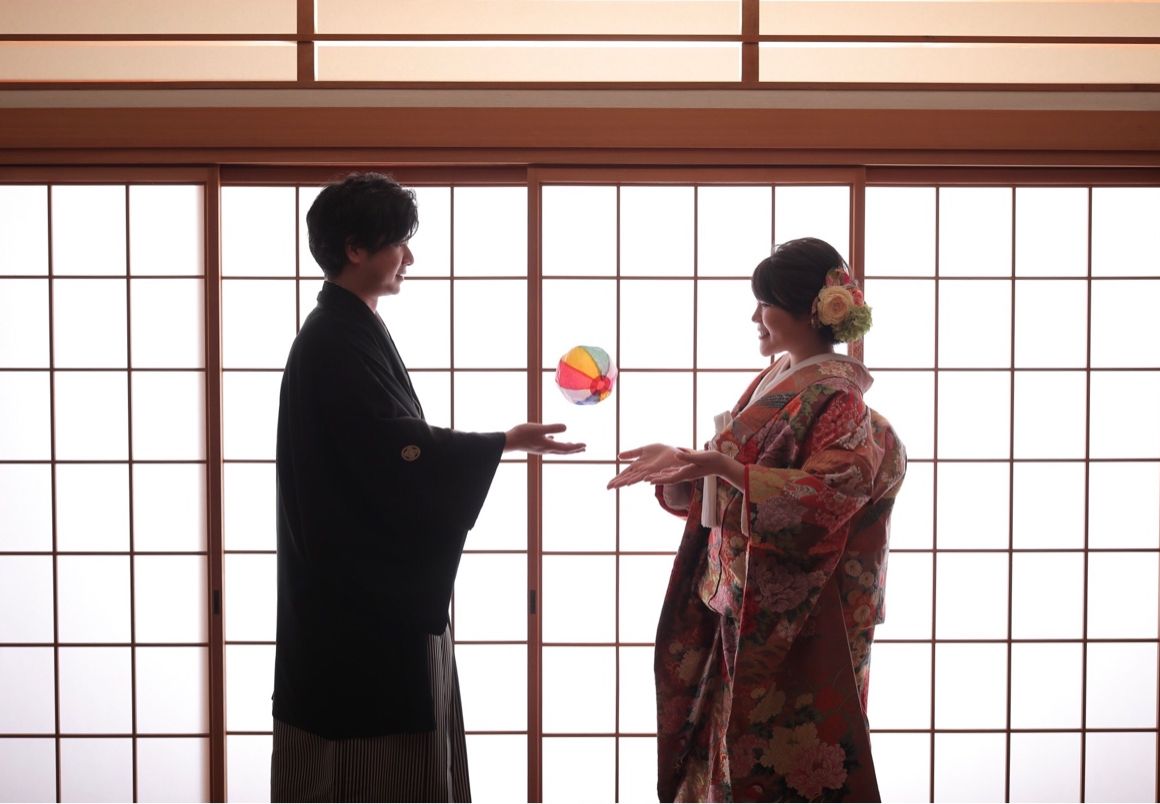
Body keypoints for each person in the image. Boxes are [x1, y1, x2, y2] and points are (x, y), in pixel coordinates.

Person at [272, 172, 584, 802]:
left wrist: (503, 442)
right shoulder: (330, 342)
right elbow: (395, 453)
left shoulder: (349, 329)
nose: (409, 258)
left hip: (368, 593)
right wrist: (500, 443)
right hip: (358, 609)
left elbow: (396, 446)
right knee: (365, 768)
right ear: (355, 248)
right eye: (399, 243)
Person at [609, 237, 906, 802]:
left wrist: (722, 467)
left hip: (800, 613)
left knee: (783, 757)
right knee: (728, 748)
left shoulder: (837, 397)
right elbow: (736, 470)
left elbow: (831, 494)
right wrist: (686, 464)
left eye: (765, 304)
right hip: (743, 601)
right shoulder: (782, 379)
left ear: (808, 312)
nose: (755, 317)